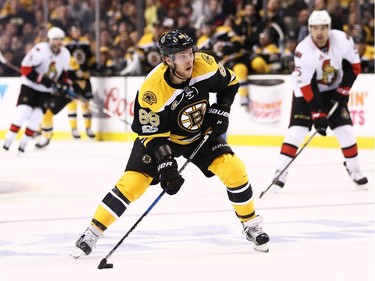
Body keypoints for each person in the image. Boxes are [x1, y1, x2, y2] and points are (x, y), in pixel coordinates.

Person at [72, 29, 269, 258]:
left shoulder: (205, 65)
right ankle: (92, 232)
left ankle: (251, 225)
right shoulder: (152, 91)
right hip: (163, 139)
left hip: (198, 133)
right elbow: (152, 134)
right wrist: (166, 163)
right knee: (133, 183)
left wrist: (222, 108)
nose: (190, 59)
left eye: (190, 52)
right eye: (182, 55)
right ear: (168, 59)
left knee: (234, 168)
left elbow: (231, 83)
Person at [271, 10, 368, 192]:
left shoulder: (343, 40)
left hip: (332, 90)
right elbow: (307, 86)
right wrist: (317, 112)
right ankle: (280, 172)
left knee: (345, 130)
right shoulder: (303, 50)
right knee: (297, 131)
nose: (320, 32)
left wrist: (342, 92)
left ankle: (354, 170)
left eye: (323, 27)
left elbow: (354, 67)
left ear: (329, 28)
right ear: (310, 29)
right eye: (315, 28)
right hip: (305, 91)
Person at [2, 26, 71, 153]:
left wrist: (65, 83)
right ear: (50, 40)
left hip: (45, 91)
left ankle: (24, 143)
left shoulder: (65, 54)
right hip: (30, 86)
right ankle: (9, 139)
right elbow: (25, 68)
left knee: (37, 117)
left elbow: (63, 73)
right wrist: (42, 80)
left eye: (60, 39)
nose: (58, 42)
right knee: (23, 111)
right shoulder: (40, 49)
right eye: (55, 39)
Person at [63, 23, 96, 139]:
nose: (76, 32)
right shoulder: (66, 44)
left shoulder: (85, 43)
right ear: (70, 32)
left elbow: (91, 59)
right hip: (73, 80)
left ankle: (88, 129)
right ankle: (74, 130)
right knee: (72, 104)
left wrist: (89, 70)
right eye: (74, 30)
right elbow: (65, 61)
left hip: (84, 78)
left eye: (78, 30)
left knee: (86, 104)